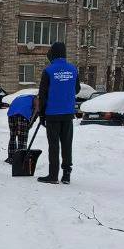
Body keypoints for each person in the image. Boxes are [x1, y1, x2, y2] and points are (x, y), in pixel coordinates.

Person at [36, 42, 78, 184]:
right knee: (67, 144)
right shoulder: (73, 70)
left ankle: (53, 176)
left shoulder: (48, 71)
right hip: (68, 113)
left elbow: (42, 95)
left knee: (54, 145)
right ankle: (66, 174)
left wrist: (41, 115)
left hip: (52, 114)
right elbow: (77, 89)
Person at [5, 92, 38, 162]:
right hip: (22, 115)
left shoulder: (22, 96)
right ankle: (21, 159)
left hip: (11, 114)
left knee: (13, 136)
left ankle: (11, 157)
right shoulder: (35, 99)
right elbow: (36, 111)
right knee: (22, 138)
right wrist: (31, 123)